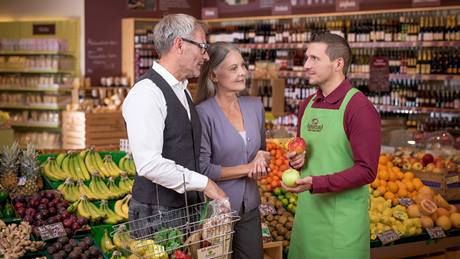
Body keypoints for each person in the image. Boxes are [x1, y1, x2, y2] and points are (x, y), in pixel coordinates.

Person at [282, 32, 381, 259]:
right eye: (306, 58)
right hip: (307, 222)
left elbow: (367, 170)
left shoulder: (359, 108)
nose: (306, 65)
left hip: (341, 228)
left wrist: (318, 183)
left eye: (314, 59)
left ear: (338, 64)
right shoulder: (307, 104)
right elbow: (304, 153)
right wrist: (296, 161)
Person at [122, 14, 226, 226]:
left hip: (186, 209)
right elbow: (149, 164)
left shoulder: (182, 90)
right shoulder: (147, 93)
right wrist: (204, 183)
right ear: (180, 45)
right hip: (157, 215)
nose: (205, 56)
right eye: (202, 46)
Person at [195, 42, 270, 259]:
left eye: (242, 66)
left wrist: (262, 160)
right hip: (217, 211)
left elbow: (263, 153)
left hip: (250, 208)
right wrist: (248, 168)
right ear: (214, 76)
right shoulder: (203, 113)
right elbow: (203, 169)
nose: (242, 73)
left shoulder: (255, 106)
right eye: (233, 68)